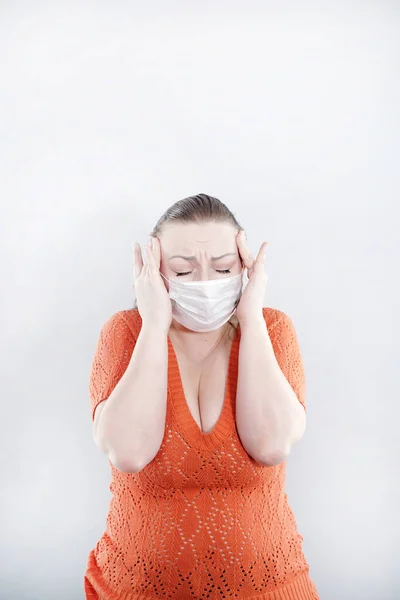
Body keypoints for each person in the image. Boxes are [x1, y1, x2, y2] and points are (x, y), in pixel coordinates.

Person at [84, 193, 320, 599]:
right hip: (133, 590)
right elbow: (128, 453)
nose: (207, 284)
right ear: (155, 272)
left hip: (272, 587)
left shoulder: (273, 330)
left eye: (224, 267)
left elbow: (271, 445)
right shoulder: (124, 333)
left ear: (245, 267)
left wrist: (252, 315)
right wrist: (154, 323)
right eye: (183, 270)